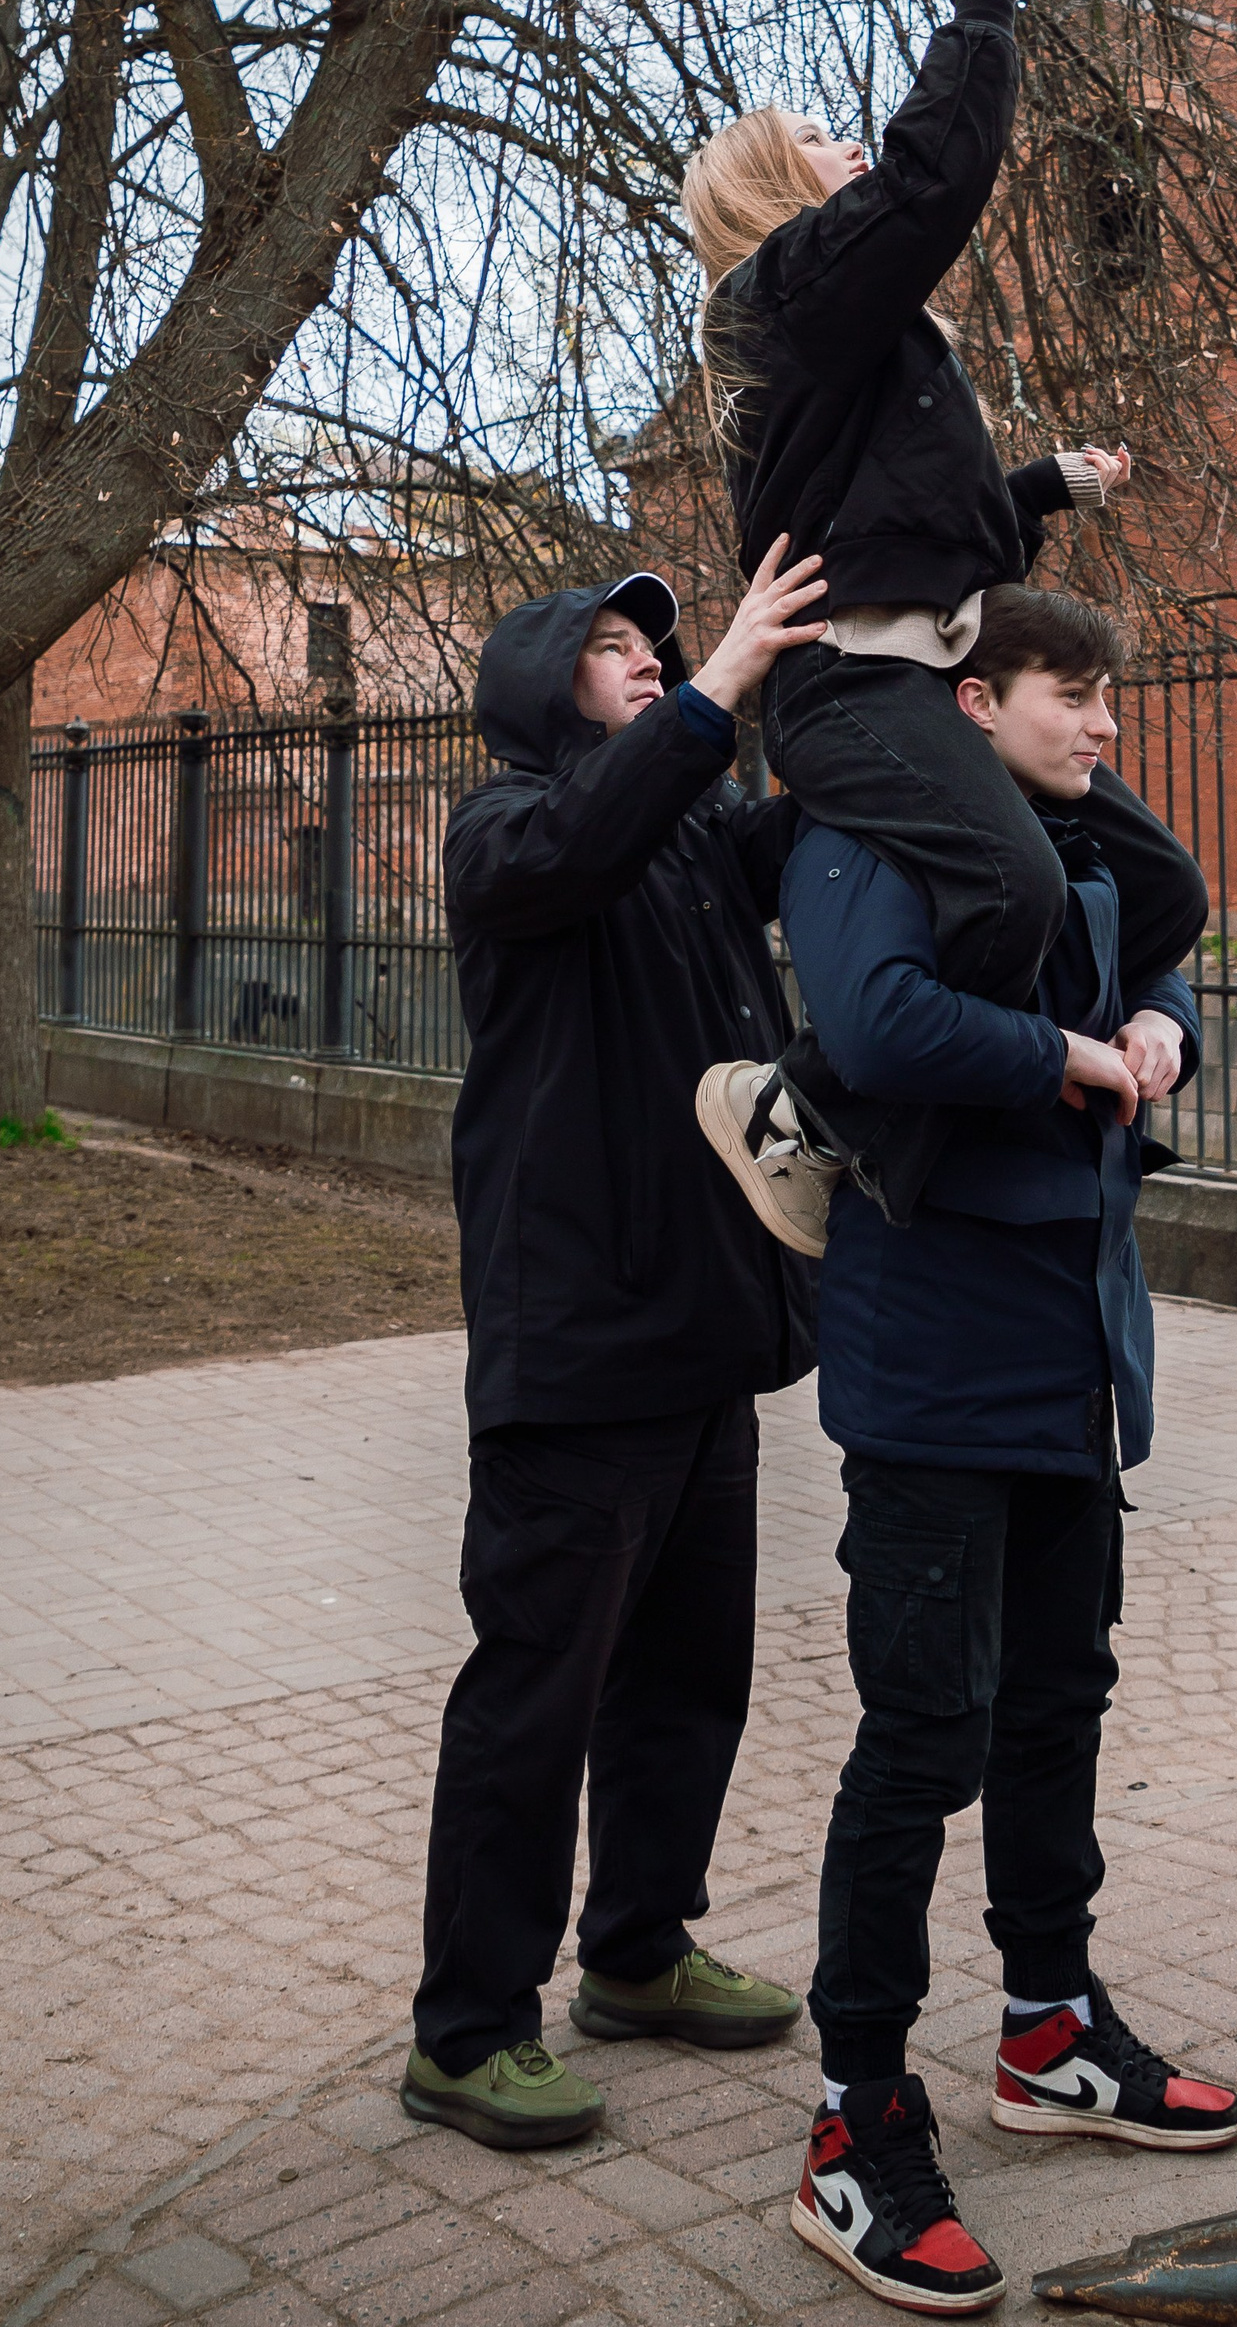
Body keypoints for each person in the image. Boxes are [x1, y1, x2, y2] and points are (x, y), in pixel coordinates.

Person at [772, 584, 1237, 2316]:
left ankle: (1050, 2035)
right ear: (970, 699)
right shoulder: (866, 833)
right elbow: (883, 1022)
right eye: (1074, 693)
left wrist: (1165, 1024)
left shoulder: (1051, 839)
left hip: (1069, 1368)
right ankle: (854, 2121)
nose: (1105, 721)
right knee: (923, 1739)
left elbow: (1163, 942)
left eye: (1112, 694)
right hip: (932, 1375)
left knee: (1058, 1702)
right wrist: (1062, 1055)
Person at [403, 540, 832, 2154]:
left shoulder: (693, 842)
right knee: (537, 1694)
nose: (652, 653)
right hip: (575, 1352)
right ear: (535, 686)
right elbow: (593, 829)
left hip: (703, 1340)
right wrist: (719, 686)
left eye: (661, 643)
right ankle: (466, 2033)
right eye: (612, 644)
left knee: (684, 1681)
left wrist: (872, 674)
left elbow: (802, 820)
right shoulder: (505, 831)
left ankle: (639, 1955)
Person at [680, 0, 1208, 1243]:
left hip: (922, 664)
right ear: (765, 185)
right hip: (851, 687)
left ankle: (871, 1099)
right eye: (818, 135)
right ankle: (802, 1106)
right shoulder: (782, 295)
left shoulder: (850, 340)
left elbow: (912, 527)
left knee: (1168, 887)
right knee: (1016, 887)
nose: (847, 144)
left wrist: (1037, 487)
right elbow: (932, 182)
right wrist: (976, 17)